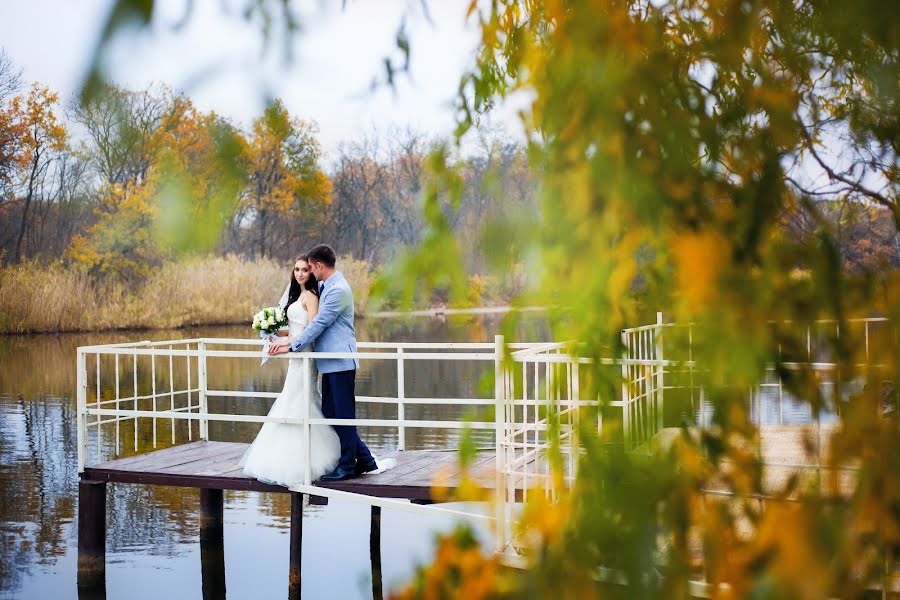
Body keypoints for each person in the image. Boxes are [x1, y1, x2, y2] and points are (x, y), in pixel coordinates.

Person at [269, 244, 378, 481]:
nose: (307, 272)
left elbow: (318, 324)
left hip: (340, 361)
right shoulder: (325, 285)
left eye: (309, 268)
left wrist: (291, 345)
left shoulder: (338, 289)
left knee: (343, 415)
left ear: (319, 266)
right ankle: (366, 458)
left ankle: (348, 464)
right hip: (328, 362)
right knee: (329, 411)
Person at [239, 254, 341, 486]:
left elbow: (312, 329)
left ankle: (309, 460)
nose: (300, 273)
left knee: (301, 400)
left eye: (304, 270)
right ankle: (282, 457)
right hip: (294, 356)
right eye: (296, 269)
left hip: (304, 356)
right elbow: (295, 326)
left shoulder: (312, 296)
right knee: (291, 398)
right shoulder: (297, 296)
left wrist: (287, 344)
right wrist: (272, 331)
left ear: (311, 272)